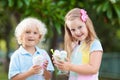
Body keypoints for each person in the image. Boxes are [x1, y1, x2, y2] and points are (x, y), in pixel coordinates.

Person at [53, 8, 103, 80]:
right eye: (73, 30)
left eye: (80, 27)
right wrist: (62, 65)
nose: (77, 32)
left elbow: (93, 69)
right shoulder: (75, 46)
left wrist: (70, 66)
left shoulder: (95, 44)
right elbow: (71, 71)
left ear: (87, 25)